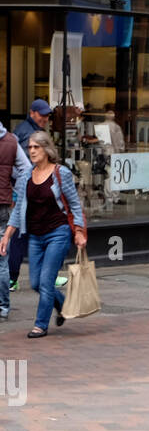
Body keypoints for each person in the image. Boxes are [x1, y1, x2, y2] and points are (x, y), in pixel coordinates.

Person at [0, 130, 86, 338]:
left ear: (47, 149)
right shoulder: (26, 176)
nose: (31, 151)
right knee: (36, 283)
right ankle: (63, 304)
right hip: (36, 236)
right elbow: (19, 207)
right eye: (29, 147)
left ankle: (40, 325)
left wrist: (80, 231)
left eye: (36, 147)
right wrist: (7, 235)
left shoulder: (60, 173)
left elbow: (74, 204)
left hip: (58, 233)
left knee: (46, 281)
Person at [8, 99, 51, 294]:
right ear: (32, 113)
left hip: (27, 189)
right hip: (30, 190)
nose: (45, 118)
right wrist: (30, 182)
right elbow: (23, 166)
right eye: (42, 114)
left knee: (26, 232)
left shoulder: (25, 130)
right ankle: (13, 276)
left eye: (47, 115)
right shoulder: (27, 133)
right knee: (23, 233)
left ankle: (14, 276)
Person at [0, 121, 29, 321]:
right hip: (2, 203)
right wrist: (15, 195)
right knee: (1, 258)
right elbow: (26, 169)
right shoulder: (10, 140)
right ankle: (3, 307)